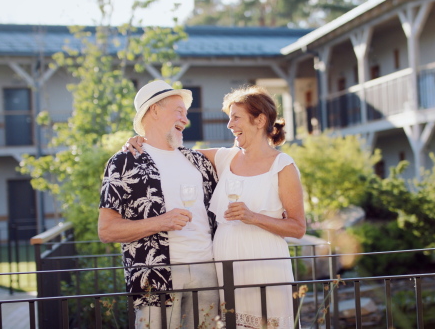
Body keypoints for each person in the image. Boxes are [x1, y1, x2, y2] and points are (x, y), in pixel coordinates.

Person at [126, 85, 306, 328]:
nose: (230, 125)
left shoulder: (283, 165)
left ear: (260, 120)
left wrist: (253, 217)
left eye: (236, 117)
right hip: (225, 270)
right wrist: (142, 141)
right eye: (229, 118)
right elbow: (170, 149)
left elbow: (297, 227)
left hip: (265, 266)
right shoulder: (224, 158)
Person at [98, 80, 219, 329]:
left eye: (185, 113)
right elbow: (107, 230)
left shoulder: (199, 161)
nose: (185, 119)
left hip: (208, 272)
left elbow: (245, 157)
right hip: (154, 277)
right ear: (153, 110)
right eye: (178, 111)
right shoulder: (123, 162)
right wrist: (162, 222)